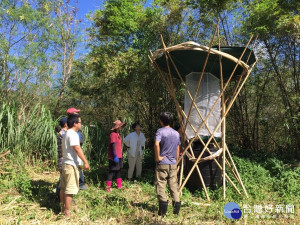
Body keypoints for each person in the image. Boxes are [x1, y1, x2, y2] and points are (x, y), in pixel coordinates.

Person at [59, 114, 90, 217]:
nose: (81, 124)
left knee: (63, 187)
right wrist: (85, 161)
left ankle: (63, 208)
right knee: (70, 190)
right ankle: (67, 212)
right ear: (75, 123)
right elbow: (77, 148)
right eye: (80, 122)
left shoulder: (66, 133)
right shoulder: (72, 134)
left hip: (65, 163)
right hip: (70, 165)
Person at [154, 112, 181, 217]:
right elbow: (178, 147)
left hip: (163, 163)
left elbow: (157, 144)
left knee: (161, 184)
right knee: (174, 186)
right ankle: (176, 212)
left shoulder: (160, 131)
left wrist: (158, 158)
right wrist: (176, 160)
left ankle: (162, 212)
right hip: (173, 163)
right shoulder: (176, 133)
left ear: (161, 121)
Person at [66, 107, 88, 190]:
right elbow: (77, 148)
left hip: (73, 157)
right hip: (70, 160)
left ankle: (80, 183)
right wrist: (86, 162)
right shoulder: (71, 132)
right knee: (68, 184)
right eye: (76, 113)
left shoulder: (73, 131)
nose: (78, 114)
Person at [106, 120, 126, 192]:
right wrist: (115, 155)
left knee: (118, 171)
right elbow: (113, 145)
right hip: (113, 156)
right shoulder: (113, 134)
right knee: (111, 171)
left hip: (119, 156)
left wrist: (120, 155)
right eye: (120, 126)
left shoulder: (118, 134)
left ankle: (119, 186)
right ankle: (108, 187)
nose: (121, 127)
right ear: (117, 127)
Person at [55, 117, 68, 199]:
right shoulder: (63, 133)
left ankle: (59, 196)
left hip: (62, 159)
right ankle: (60, 198)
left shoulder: (63, 132)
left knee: (63, 179)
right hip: (63, 159)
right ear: (66, 124)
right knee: (64, 181)